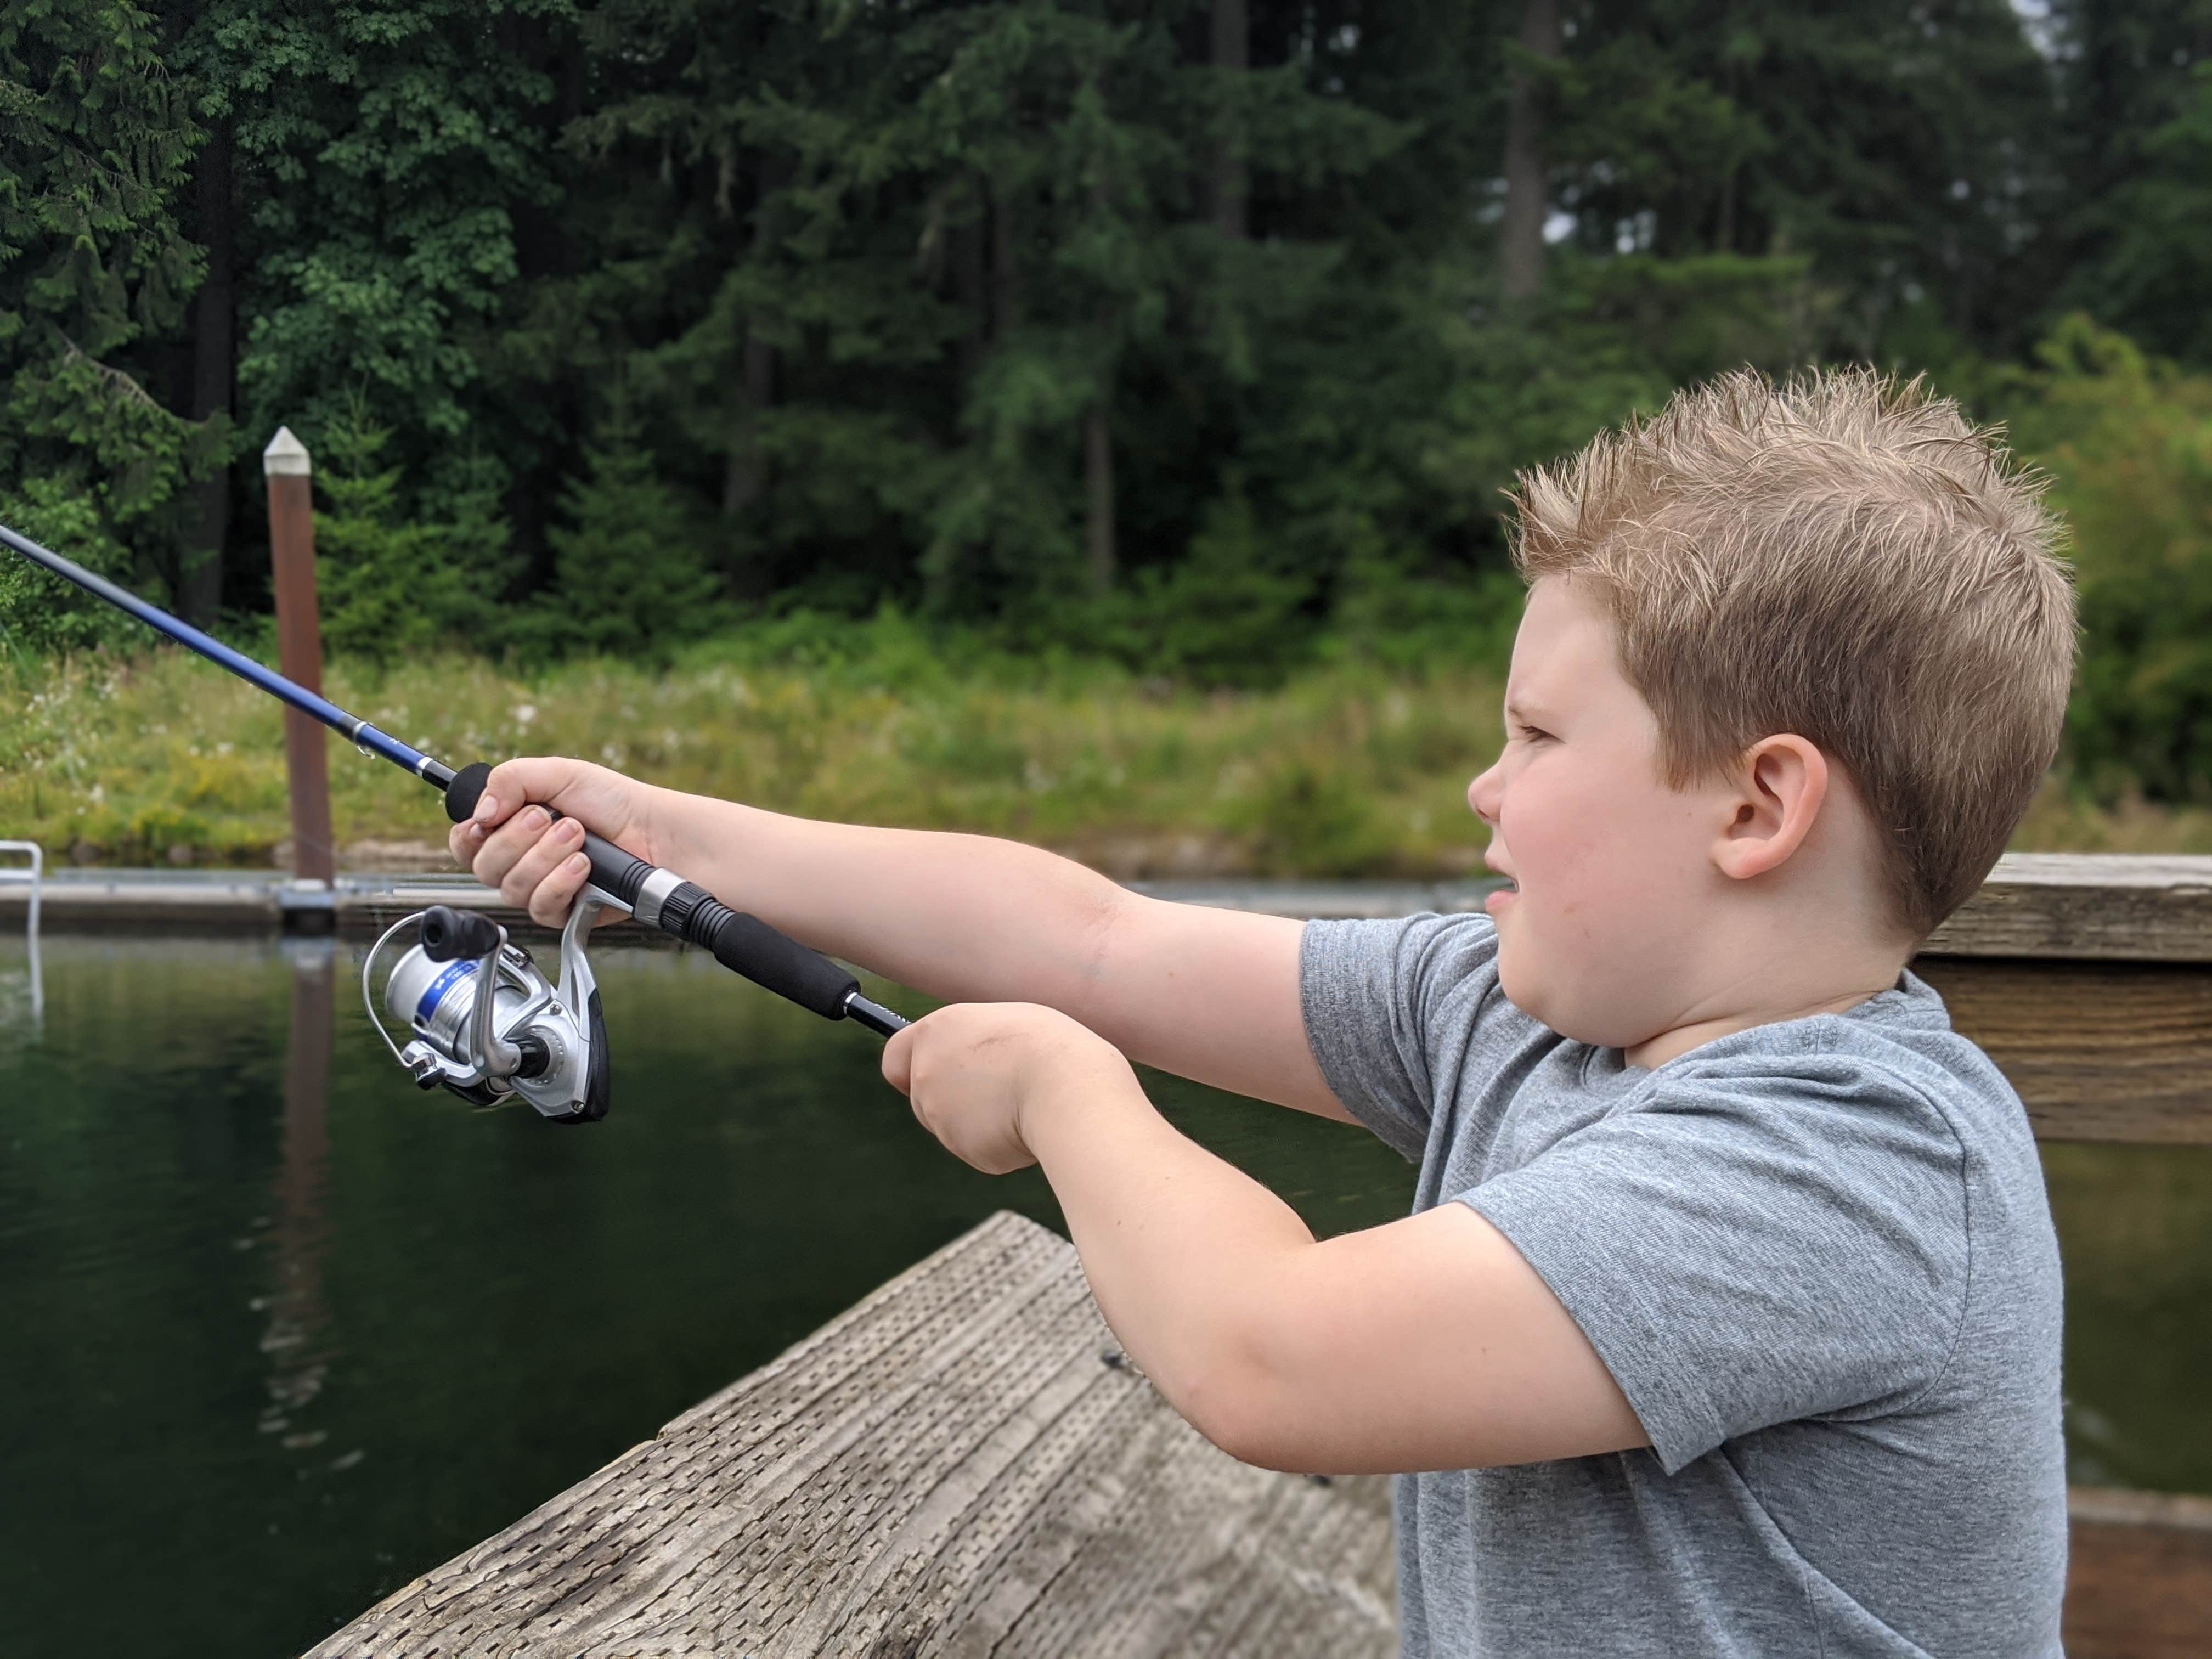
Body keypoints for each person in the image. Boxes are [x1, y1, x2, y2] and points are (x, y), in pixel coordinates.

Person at [453, 366, 2077, 1658]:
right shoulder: (1517, 1014)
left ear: (1755, 808)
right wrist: (666, 834)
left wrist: (1062, 1094)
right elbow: (1091, 941)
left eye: (1536, 737)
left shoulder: (1852, 1168)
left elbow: (1269, 1362)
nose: (1482, 790)